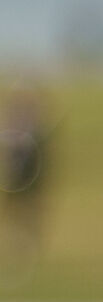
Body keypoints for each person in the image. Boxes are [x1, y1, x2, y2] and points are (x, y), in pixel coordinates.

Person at [0, 82, 53, 253]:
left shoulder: (35, 129)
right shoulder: (13, 124)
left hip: (29, 173)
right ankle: (17, 240)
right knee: (16, 208)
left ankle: (29, 242)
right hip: (18, 174)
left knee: (30, 208)